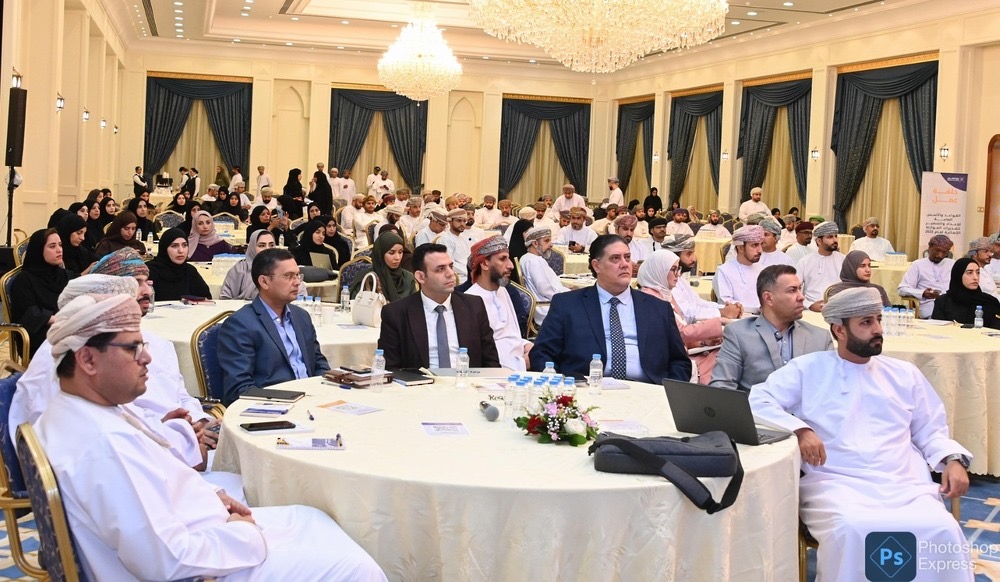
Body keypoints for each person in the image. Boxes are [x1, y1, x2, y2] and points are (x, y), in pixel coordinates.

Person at [35, 291, 386, 581]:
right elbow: (166, 560)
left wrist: (211, 495)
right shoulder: (101, 445)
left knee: (312, 516)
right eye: (132, 348)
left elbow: (156, 486)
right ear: (87, 360)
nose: (147, 358)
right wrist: (242, 532)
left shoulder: (77, 410)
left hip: (202, 526)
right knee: (356, 568)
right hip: (203, 564)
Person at [749, 287, 973, 582]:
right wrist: (800, 430)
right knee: (854, 528)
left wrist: (953, 460)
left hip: (903, 484)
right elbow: (758, 401)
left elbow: (931, 429)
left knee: (943, 529)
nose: (877, 329)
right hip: (836, 484)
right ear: (839, 330)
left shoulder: (903, 373)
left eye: (878, 319)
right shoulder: (807, 369)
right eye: (866, 322)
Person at [530, 235, 690, 382]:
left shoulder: (658, 308)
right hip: (587, 389)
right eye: (615, 258)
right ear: (596, 266)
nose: (625, 264)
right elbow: (542, 353)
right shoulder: (567, 305)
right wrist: (562, 388)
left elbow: (680, 361)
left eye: (627, 257)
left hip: (647, 390)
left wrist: (667, 393)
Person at [217, 248, 331, 405]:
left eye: (298, 275)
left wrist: (323, 391)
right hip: (273, 407)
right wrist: (292, 399)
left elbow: (318, 363)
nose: (297, 282)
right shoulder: (240, 325)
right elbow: (238, 389)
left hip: (313, 401)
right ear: (264, 282)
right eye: (288, 276)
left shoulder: (301, 316)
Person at [710, 264, 833, 392]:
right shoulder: (739, 334)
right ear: (768, 298)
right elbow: (721, 388)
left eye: (799, 289)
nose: (801, 297)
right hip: (753, 404)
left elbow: (833, 388)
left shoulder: (820, 338)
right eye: (792, 290)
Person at [378, 243, 500, 370]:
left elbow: (491, 362)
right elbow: (390, 369)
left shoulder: (473, 306)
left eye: (450, 266)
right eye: (440, 269)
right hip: (420, 381)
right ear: (421, 277)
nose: (451, 274)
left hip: (467, 380)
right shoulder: (396, 313)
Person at [638, 250, 728, 383]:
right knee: (726, 360)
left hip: (683, 353)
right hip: (671, 362)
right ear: (660, 270)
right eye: (673, 270)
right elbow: (679, 333)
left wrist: (703, 342)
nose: (678, 274)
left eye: (678, 269)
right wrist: (720, 323)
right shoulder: (650, 299)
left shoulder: (664, 293)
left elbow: (678, 333)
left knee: (727, 354)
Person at [464, 236, 531, 372]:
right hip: (498, 373)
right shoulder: (470, 300)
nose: (511, 265)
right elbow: (482, 354)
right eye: (502, 259)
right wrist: (524, 363)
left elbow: (512, 335)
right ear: (484, 264)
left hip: (521, 363)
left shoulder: (503, 291)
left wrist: (528, 346)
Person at [11, 229, 77, 355]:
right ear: (39, 250)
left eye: (60, 245)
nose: (59, 250)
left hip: (63, 327)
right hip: (38, 335)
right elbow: (28, 313)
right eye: (52, 246)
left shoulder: (62, 275)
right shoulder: (24, 280)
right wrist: (56, 319)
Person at [519, 226, 571, 326]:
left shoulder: (528, 258)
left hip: (548, 302)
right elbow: (545, 290)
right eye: (546, 241)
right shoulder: (533, 261)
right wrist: (568, 294)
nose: (551, 244)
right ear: (535, 243)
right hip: (546, 307)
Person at [931, 257, 1000, 328]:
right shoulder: (943, 302)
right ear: (959, 275)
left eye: (978, 273)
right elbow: (936, 329)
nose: (975, 277)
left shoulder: (990, 302)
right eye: (969, 273)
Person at [146, 228, 212, 301]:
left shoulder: (189, 271)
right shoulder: (149, 271)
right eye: (174, 246)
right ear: (164, 248)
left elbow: (206, 299)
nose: (181, 250)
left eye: (184, 245)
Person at [349, 231, 416, 302]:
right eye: (391, 253)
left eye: (400, 252)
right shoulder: (367, 278)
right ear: (380, 254)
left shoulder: (408, 278)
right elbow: (355, 305)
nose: (397, 257)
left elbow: (415, 305)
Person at [899, 234, 955, 318]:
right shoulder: (917, 265)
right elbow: (902, 290)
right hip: (930, 307)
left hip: (951, 306)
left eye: (944, 252)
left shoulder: (952, 264)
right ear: (929, 247)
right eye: (937, 250)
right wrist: (922, 293)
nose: (940, 255)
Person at [796, 221, 845, 312]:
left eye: (835, 236)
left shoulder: (843, 260)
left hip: (838, 308)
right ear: (819, 241)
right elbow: (795, 289)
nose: (835, 240)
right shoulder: (805, 262)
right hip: (811, 310)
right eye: (830, 237)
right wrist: (810, 305)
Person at [714, 225, 764, 313]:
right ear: (740, 248)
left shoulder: (763, 270)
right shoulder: (724, 271)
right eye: (754, 245)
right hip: (737, 318)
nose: (760, 250)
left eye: (761, 244)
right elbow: (726, 303)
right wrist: (757, 309)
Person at [826, 250, 891, 306]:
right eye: (862, 266)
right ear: (851, 268)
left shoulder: (878, 290)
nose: (868, 270)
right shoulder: (837, 291)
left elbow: (887, 313)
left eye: (869, 265)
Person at [438, 208, 476, 284]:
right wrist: (468, 271)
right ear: (450, 221)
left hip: (468, 272)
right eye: (459, 221)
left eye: (464, 221)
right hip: (457, 275)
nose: (462, 224)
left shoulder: (464, 237)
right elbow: (449, 263)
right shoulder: (446, 239)